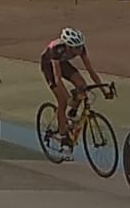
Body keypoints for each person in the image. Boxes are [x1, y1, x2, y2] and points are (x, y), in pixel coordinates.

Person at [41, 27, 109, 161]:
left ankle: (72, 114)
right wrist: (67, 98)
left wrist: (103, 90)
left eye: (80, 47)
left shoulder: (81, 48)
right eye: (76, 48)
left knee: (82, 86)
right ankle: (63, 140)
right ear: (68, 46)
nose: (79, 50)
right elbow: (58, 78)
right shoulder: (56, 50)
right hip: (49, 66)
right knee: (62, 101)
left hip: (63, 63)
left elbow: (91, 71)